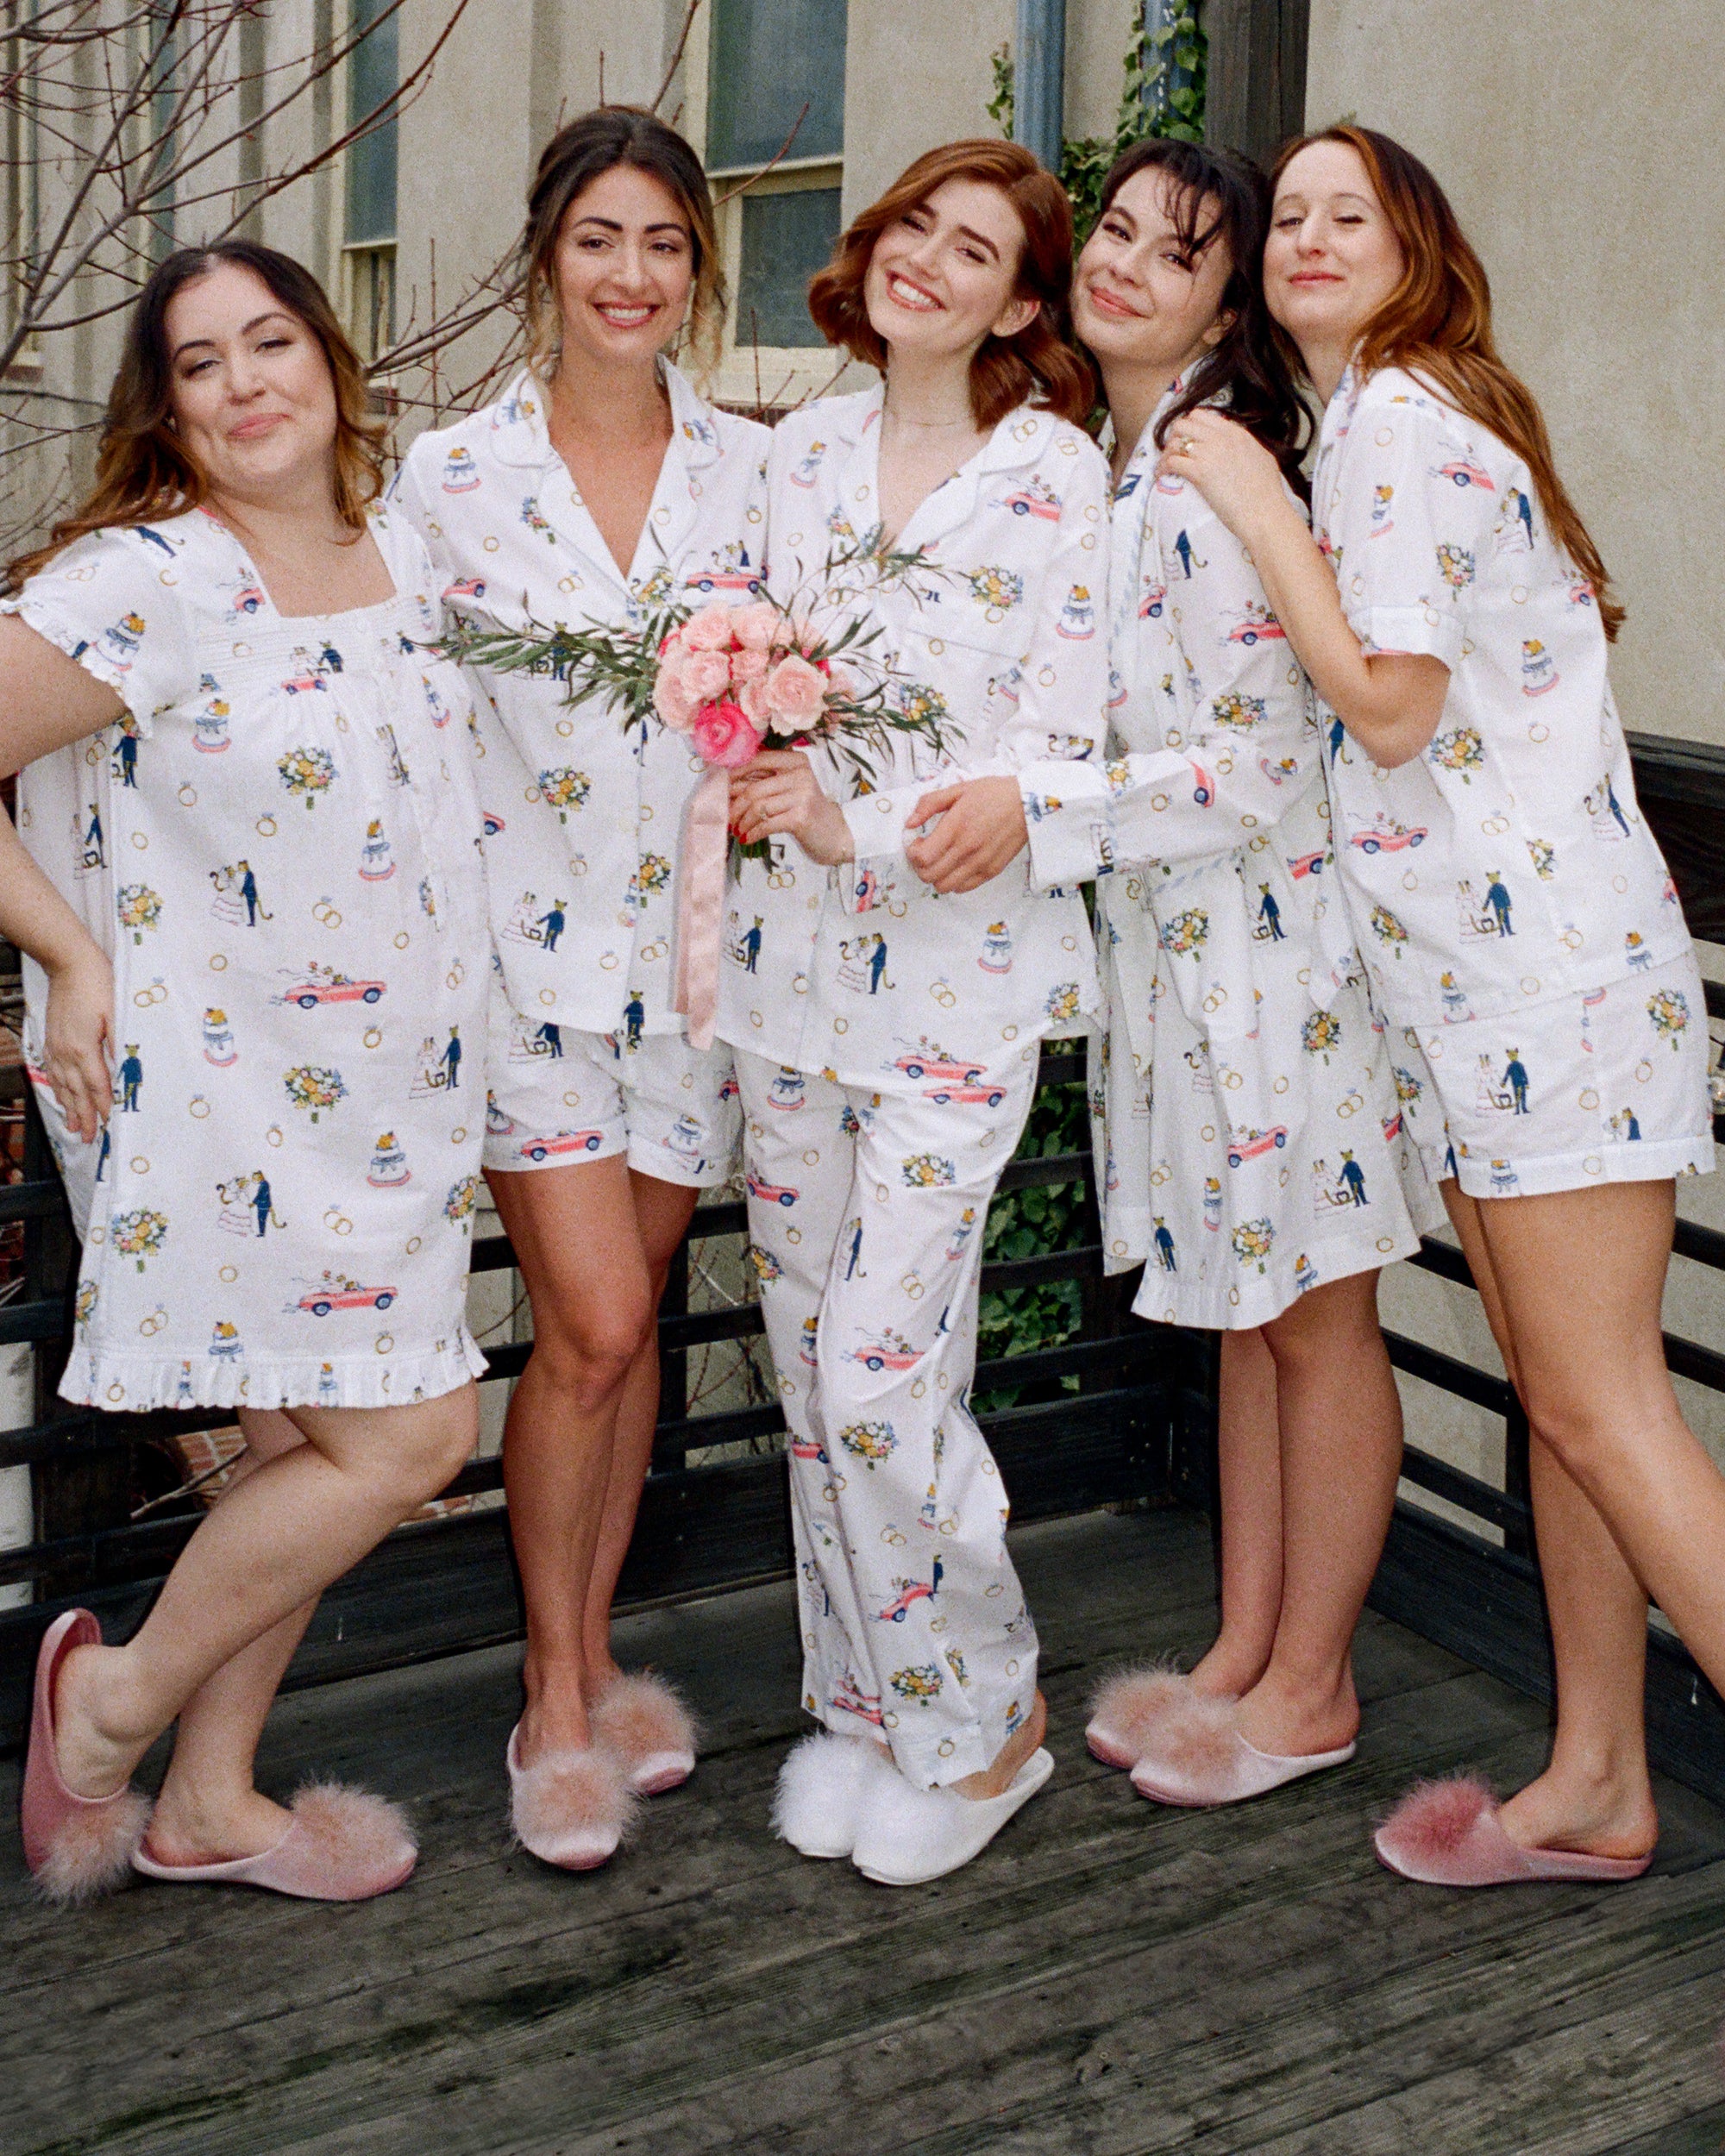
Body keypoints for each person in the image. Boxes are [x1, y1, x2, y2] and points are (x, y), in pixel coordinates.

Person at [1165, 126, 1717, 1884]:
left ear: (1418, 249)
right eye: (1290, 217)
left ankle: (1605, 1770)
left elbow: (1390, 706)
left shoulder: (1396, 423)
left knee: (1603, 1407)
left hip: (1545, 988)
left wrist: (1256, 509)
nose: (1311, 237)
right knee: (1572, 1400)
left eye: (1355, 213)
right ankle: (1599, 1777)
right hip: (1491, 996)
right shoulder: (1385, 426)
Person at [4, 241, 488, 1904]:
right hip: (223, 1104)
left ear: (333, 363)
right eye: (199, 364)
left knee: (304, 1449)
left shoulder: (403, 548)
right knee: (411, 1437)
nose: (242, 383)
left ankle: (208, 1801)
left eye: (269, 341)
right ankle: (111, 1706)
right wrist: (68, 957)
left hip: (389, 1100)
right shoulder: (148, 580)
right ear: (169, 411)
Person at [1032, 137, 1439, 1807]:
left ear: (1221, 305)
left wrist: (1038, 815)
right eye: (1114, 228)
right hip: (1185, 964)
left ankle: (1312, 1683)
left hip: (1278, 962)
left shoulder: (1220, 470)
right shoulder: (1134, 463)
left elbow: (1259, 764)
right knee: (1253, 1318)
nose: (1121, 261)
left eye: (1174, 250)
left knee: (1317, 1319)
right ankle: (1245, 1647)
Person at [725, 138, 1107, 1885]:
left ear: (1019, 307)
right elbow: (733, 680)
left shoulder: (1053, 479)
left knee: (881, 1377)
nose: (928, 263)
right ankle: (870, 1709)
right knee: (816, 1368)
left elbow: (1054, 748)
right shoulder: (792, 455)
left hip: (956, 993)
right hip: (785, 989)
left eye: (976, 252)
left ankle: (987, 1725)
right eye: (914, 228)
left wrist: (852, 820)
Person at [392, 107, 763, 1870]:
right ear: (547, 252)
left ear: (699, 269)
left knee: (629, 1325)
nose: (633, 275)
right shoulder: (450, 477)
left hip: (694, 970)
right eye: (601, 238)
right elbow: (387, 703)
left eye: (665, 244)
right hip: (519, 970)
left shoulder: (753, 471)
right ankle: (548, 1694)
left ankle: (600, 1654)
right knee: (598, 1324)